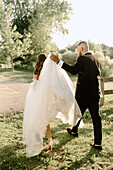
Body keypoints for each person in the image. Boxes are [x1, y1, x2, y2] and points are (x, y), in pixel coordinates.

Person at [23, 53, 82, 157]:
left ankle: (43, 141)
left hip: (39, 100)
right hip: (47, 100)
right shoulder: (49, 72)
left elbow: (35, 82)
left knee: (39, 121)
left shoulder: (37, 70)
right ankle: (49, 141)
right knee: (45, 121)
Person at [50, 41, 102, 150]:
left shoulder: (82, 59)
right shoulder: (96, 60)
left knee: (78, 113)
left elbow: (73, 71)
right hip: (94, 94)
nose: (77, 52)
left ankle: (74, 130)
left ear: (82, 49)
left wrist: (58, 62)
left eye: (78, 49)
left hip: (83, 95)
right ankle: (97, 142)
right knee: (95, 118)